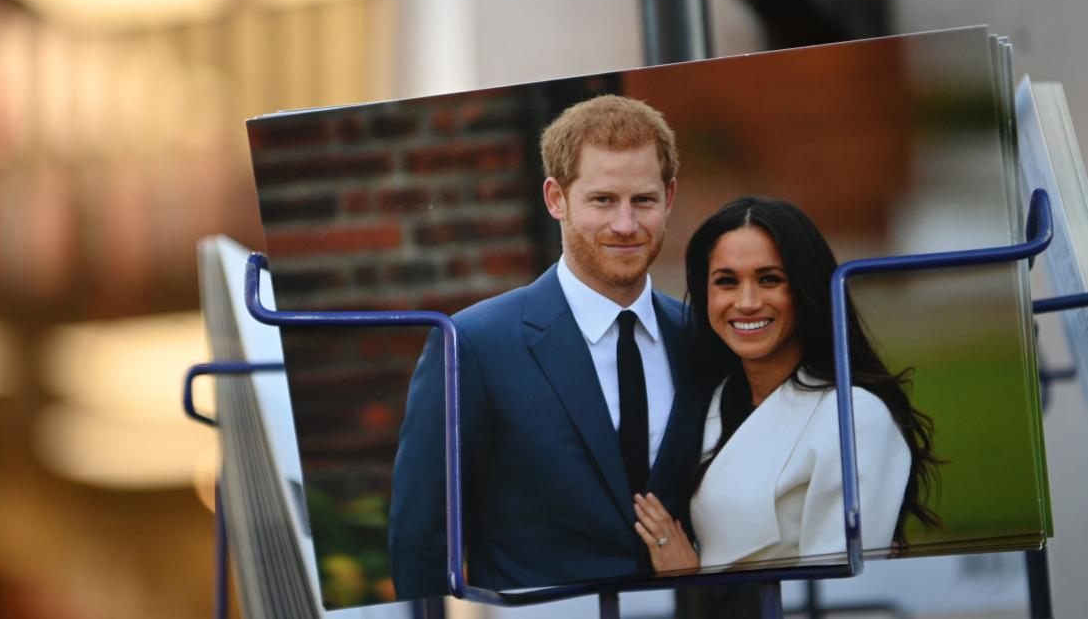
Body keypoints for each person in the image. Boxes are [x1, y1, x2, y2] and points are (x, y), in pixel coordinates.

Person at [388, 95, 710, 599]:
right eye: (602, 200)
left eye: (643, 200)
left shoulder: (701, 337)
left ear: (669, 197)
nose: (625, 225)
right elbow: (421, 541)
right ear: (555, 198)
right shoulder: (472, 345)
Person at [633, 196, 941, 573]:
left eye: (769, 279)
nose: (746, 302)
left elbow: (840, 597)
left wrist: (691, 581)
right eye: (726, 281)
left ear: (805, 289)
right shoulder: (711, 400)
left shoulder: (855, 417)